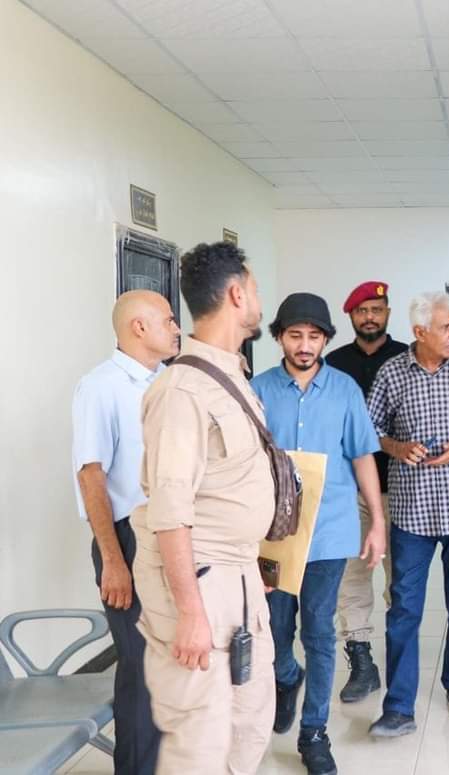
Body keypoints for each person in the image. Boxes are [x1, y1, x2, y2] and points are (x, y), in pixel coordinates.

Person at [131, 241, 275, 772]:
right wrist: (191, 612)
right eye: (254, 288)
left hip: (236, 573)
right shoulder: (183, 390)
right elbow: (170, 510)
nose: (258, 298)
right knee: (200, 739)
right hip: (198, 579)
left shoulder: (231, 375)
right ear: (237, 294)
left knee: (248, 722)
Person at [251, 292, 385, 775]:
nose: (305, 345)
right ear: (280, 338)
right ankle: (288, 676)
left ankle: (314, 732)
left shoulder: (345, 389)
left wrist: (377, 522)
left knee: (320, 631)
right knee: (275, 630)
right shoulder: (258, 390)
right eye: (295, 336)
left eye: (314, 336)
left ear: (326, 339)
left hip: (329, 530)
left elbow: (362, 455)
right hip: (274, 534)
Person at [365, 292, 449, 738]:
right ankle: (399, 706)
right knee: (404, 608)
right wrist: (397, 447)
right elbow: (370, 428)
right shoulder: (392, 372)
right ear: (420, 332)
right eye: (447, 327)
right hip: (411, 511)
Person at [71, 290, 179, 774]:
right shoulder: (101, 386)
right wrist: (113, 561)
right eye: (168, 320)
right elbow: (91, 474)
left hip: (169, 536)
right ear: (139, 327)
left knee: (170, 665)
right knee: (140, 667)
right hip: (127, 540)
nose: (176, 329)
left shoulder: (167, 382)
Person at [326, 280, 407, 703]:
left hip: (404, 489)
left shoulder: (408, 357)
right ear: (351, 317)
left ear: (387, 312)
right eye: (362, 311)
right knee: (351, 578)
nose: (370, 317)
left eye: (376, 309)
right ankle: (361, 662)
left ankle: (401, 659)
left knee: (402, 580)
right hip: (350, 491)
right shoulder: (333, 364)